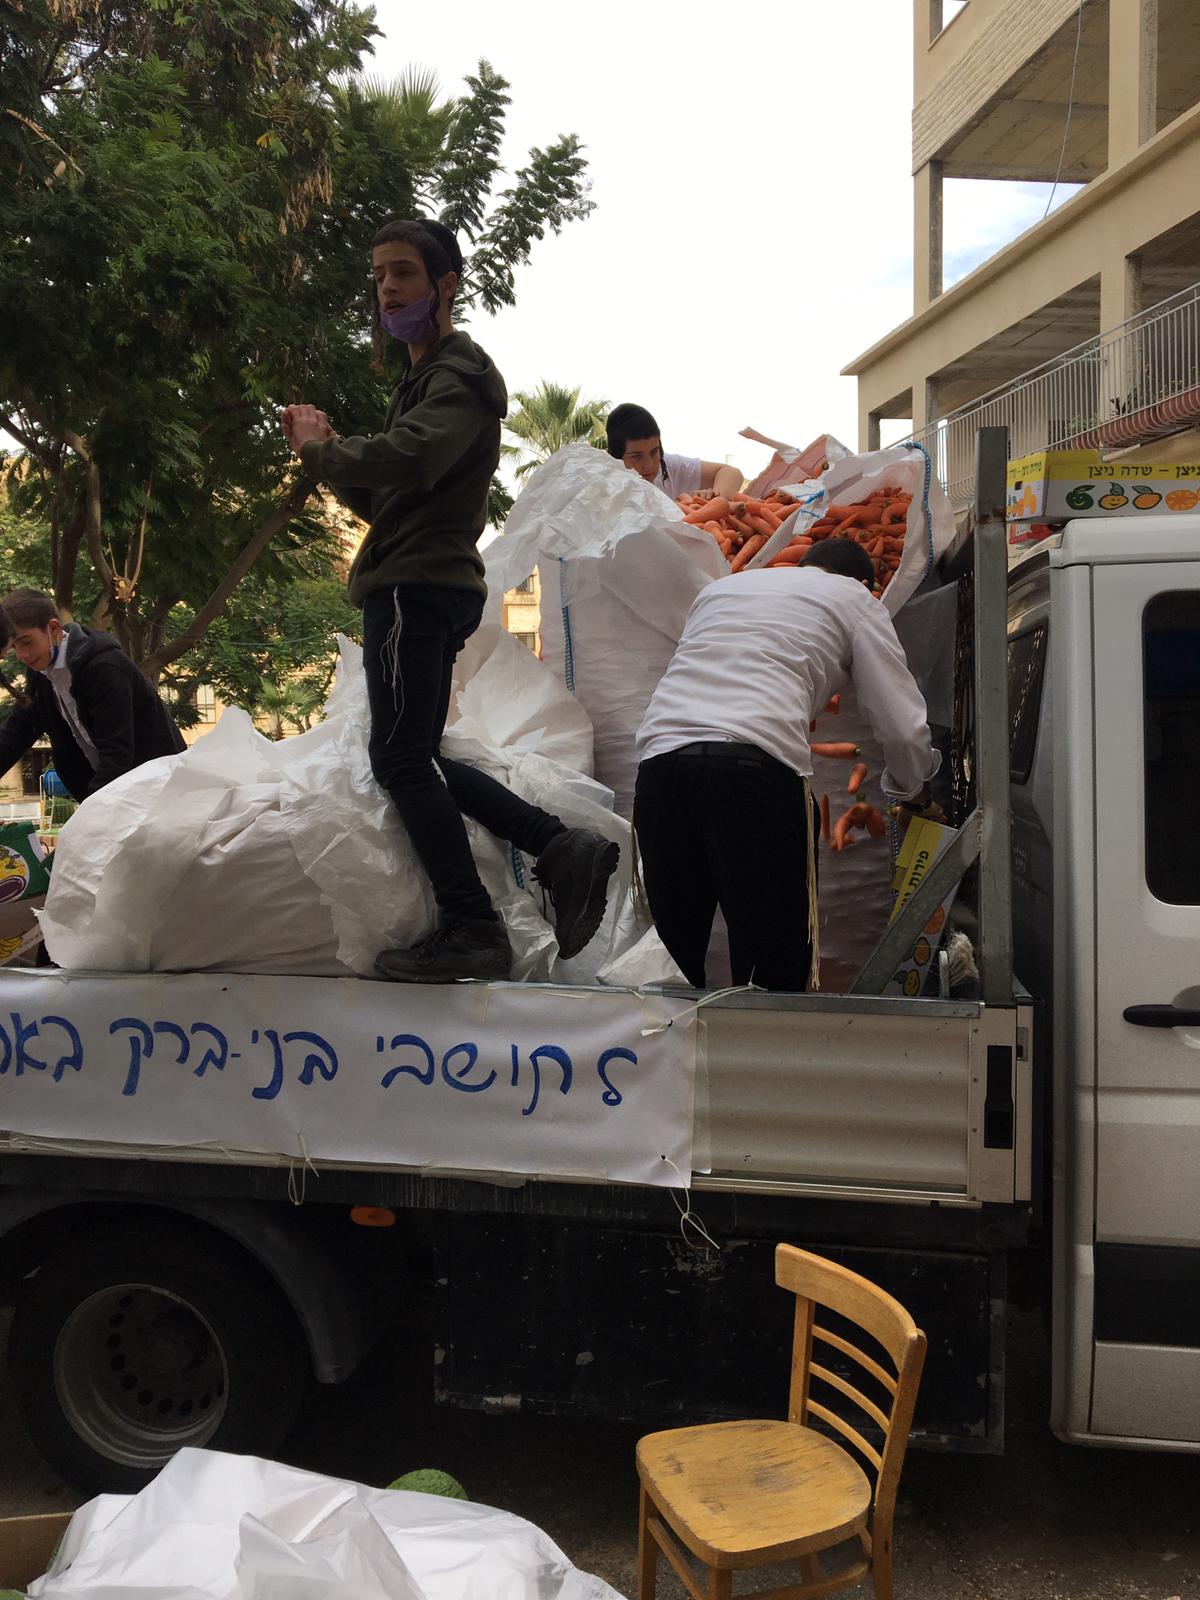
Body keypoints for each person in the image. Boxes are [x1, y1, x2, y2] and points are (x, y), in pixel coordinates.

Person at [280, 218, 618, 985]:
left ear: (446, 284)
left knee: (398, 757)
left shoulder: (456, 375)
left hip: (415, 588)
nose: (388, 290)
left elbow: (411, 456)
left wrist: (318, 450)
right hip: (420, 578)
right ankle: (557, 846)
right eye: (378, 277)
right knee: (413, 755)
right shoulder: (426, 379)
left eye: (402, 273)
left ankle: (473, 925)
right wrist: (334, 459)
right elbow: (394, 495)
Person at [632, 540, 940, 992]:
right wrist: (914, 791)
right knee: (772, 968)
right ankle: (762, 1059)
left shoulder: (723, 590)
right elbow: (901, 724)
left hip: (660, 767)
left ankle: (667, 1059)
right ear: (862, 582)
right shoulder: (855, 598)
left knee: (671, 961)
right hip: (753, 774)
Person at [0, 589, 185, 803]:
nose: (22, 655)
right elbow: (15, 735)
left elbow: (117, 752)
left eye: (27, 642)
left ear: (53, 628)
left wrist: (91, 809)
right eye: (15, 647)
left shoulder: (104, 667)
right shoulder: (40, 675)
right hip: (111, 794)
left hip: (157, 788)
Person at [605, 402, 743, 503]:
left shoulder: (666, 466)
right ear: (615, 457)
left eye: (654, 452)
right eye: (636, 456)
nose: (649, 465)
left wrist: (716, 502)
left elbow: (730, 472)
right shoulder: (604, 489)